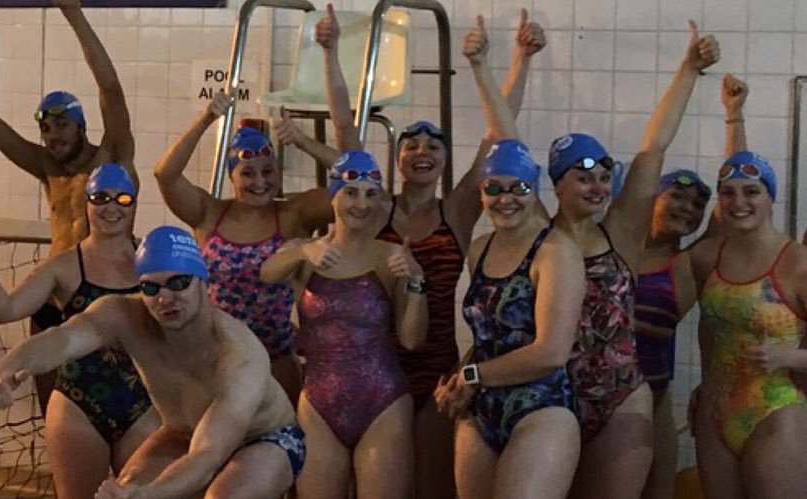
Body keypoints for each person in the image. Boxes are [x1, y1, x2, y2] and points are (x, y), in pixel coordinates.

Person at [280, 8, 545, 496]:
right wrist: (329, 51)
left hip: (438, 369)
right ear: (398, 159)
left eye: (433, 145)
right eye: (411, 145)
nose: (422, 150)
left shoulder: (457, 210)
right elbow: (346, 131)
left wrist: (520, 60)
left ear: (444, 159)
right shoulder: (375, 208)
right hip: (370, 369)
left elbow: (498, 135)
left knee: (429, 488)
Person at [470, 16, 717, 496]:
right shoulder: (538, 233)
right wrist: (481, 67)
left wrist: (689, 69)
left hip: (620, 398)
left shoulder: (620, 232)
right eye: (583, 178)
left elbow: (654, 146)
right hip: (548, 397)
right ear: (556, 185)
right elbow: (506, 137)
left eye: (604, 178)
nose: (598, 187)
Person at [0, 225, 305, 498]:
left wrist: (150, 495)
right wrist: (6, 364)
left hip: (266, 438)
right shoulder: (123, 315)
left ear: (203, 281)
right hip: (182, 433)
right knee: (127, 488)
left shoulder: (238, 354)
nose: (165, 298)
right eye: (151, 287)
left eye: (179, 283)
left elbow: (206, 456)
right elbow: (63, 340)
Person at [0, 0, 138, 411]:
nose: (52, 135)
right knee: (55, 410)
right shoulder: (48, 168)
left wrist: (72, 12)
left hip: (102, 298)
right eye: (46, 128)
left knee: (120, 404)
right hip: (53, 302)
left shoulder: (111, 159)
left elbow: (111, 89)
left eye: (61, 124)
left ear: (82, 126)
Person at [0, 162, 158, 498]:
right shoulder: (66, 264)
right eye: (101, 198)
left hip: (143, 404)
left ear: (134, 204)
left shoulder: (152, 259)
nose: (112, 207)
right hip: (78, 404)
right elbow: (5, 311)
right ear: (86, 203)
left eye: (122, 199)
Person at [261, 150, 427, 499]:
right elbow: (268, 272)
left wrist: (416, 282)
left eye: (371, 194)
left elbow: (412, 339)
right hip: (318, 404)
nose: (361, 204)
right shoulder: (306, 252)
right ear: (333, 196)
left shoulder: (389, 256)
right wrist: (303, 252)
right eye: (351, 192)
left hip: (383, 402)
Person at [154, 92, 331, 402]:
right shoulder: (209, 214)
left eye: (268, 171)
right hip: (216, 358)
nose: (260, 182)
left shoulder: (293, 214)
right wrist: (206, 118)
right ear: (232, 176)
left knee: (279, 432)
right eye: (247, 173)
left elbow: (359, 181)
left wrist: (303, 142)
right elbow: (165, 174)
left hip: (275, 360)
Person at [434, 140, 585, 499]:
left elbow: (551, 352)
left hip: (541, 409)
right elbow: (487, 337)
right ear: (481, 192)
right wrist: (458, 379)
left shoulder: (556, 252)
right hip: (481, 411)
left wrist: (473, 375)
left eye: (519, 187)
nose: (506, 199)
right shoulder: (480, 249)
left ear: (535, 190)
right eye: (494, 188)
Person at [636, 76, 742, 499]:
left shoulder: (684, 267)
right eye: (677, 197)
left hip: (650, 401)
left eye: (698, 205)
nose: (688, 208)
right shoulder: (610, 247)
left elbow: (733, 200)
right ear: (651, 198)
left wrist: (733, 115)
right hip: (586, 395)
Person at [682, 146, 807, 498]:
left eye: (751, 191)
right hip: (714, 415)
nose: (739, 202)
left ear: (770, 198)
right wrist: (706, 383)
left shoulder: (798, 264)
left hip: (777, 410)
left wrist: (789, 357)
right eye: (728, 193)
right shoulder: (705, 257)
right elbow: (710, 328)